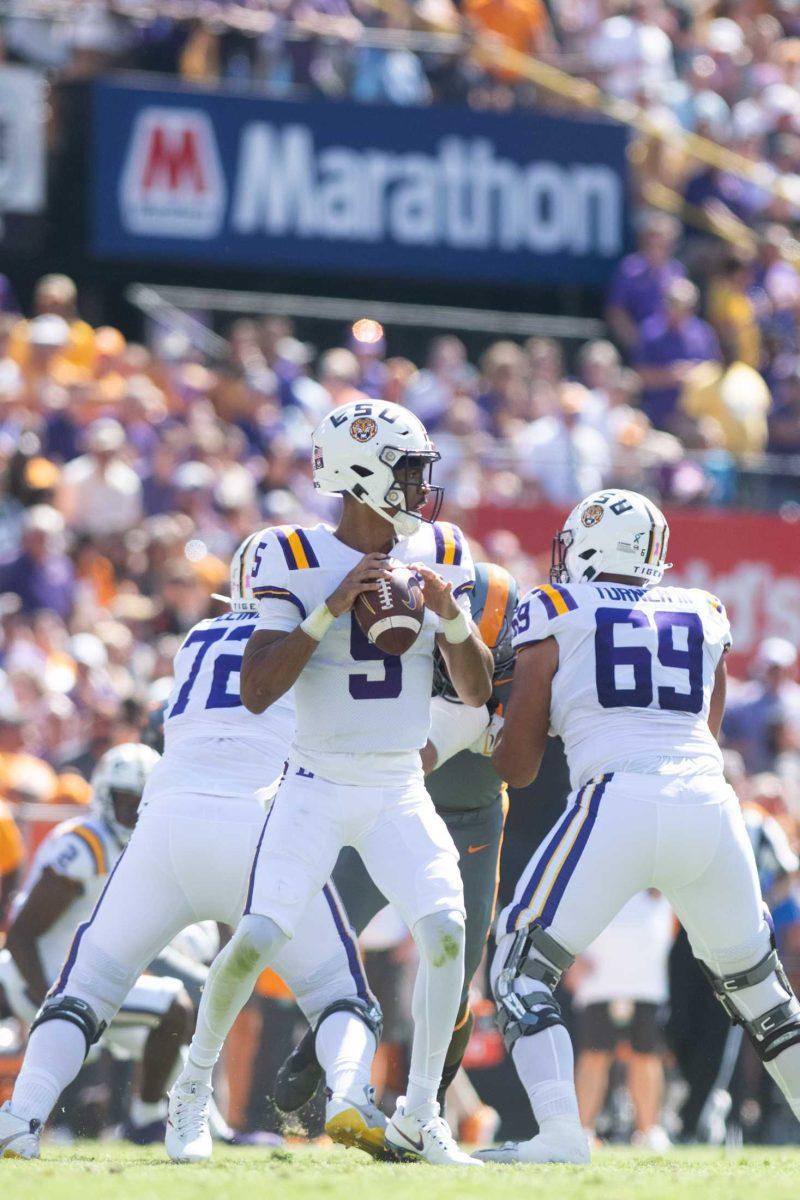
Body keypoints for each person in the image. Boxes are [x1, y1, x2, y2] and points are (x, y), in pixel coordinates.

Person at [172, 399, 493, 1167]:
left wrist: (451, 619)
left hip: (398, 790)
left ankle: (422, 1114)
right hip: (313, 782)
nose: (423, 489)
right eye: (410, 472)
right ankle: (192, 1085)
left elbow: (478, 690)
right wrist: (332, 607)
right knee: (254, 942)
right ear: (361, 474)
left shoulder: (445, 550)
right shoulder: (289, 553)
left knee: (447, 933)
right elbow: (256, 690)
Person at [0, 536, 382, 1161]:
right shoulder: (320, 639)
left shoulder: (196, 637)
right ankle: (348, 1097)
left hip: (164, 823)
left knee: (85, 989)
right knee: (340, 994)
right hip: (258, 825)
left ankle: (23, 1116)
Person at [476, 488, 800, 1165]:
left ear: (590, 545)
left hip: (617, 799)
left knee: (516, 969)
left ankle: (563, 1133)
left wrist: (480, 726)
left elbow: (520, 765)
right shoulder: (704, 611)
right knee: (762, 995)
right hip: (709, 806)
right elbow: (704, 735)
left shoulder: (555, 606)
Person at [272, 562, 517, 1117]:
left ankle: (425, 1113)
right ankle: (317, 1045)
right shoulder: (388, 611)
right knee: (331, 937)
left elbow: (506, 742)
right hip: (393, 805)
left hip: (472, 818)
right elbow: (409, 744)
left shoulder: (508, 630)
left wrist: (495, 726)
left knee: (453, 978)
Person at [0, 744, 196, 1144]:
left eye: (144, 802)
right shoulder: (87, 844)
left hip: (79, 982)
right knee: (173, 1008)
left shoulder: (137, 848)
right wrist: (49, 1001)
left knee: (172, 1024)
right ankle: (143, 1120)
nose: (135, 811)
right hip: (43, 979)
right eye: (126, 800)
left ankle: (155, 1119)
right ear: (106, 797)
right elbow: (21, 934)